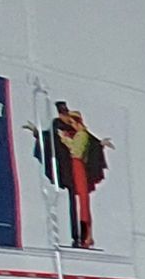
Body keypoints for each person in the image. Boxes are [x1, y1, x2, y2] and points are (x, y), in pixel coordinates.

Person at [36, 102, 110, 249]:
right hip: (67, 167)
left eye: (70, 119)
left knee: (82, 202)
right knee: (78, 202)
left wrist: (98, 143)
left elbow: (80, 146)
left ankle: (84, 236)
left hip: (77, 166)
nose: (67, 120)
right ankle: (79, 236)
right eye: (63, 114)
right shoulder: (57, 125)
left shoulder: (80, 133)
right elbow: (49, 137)